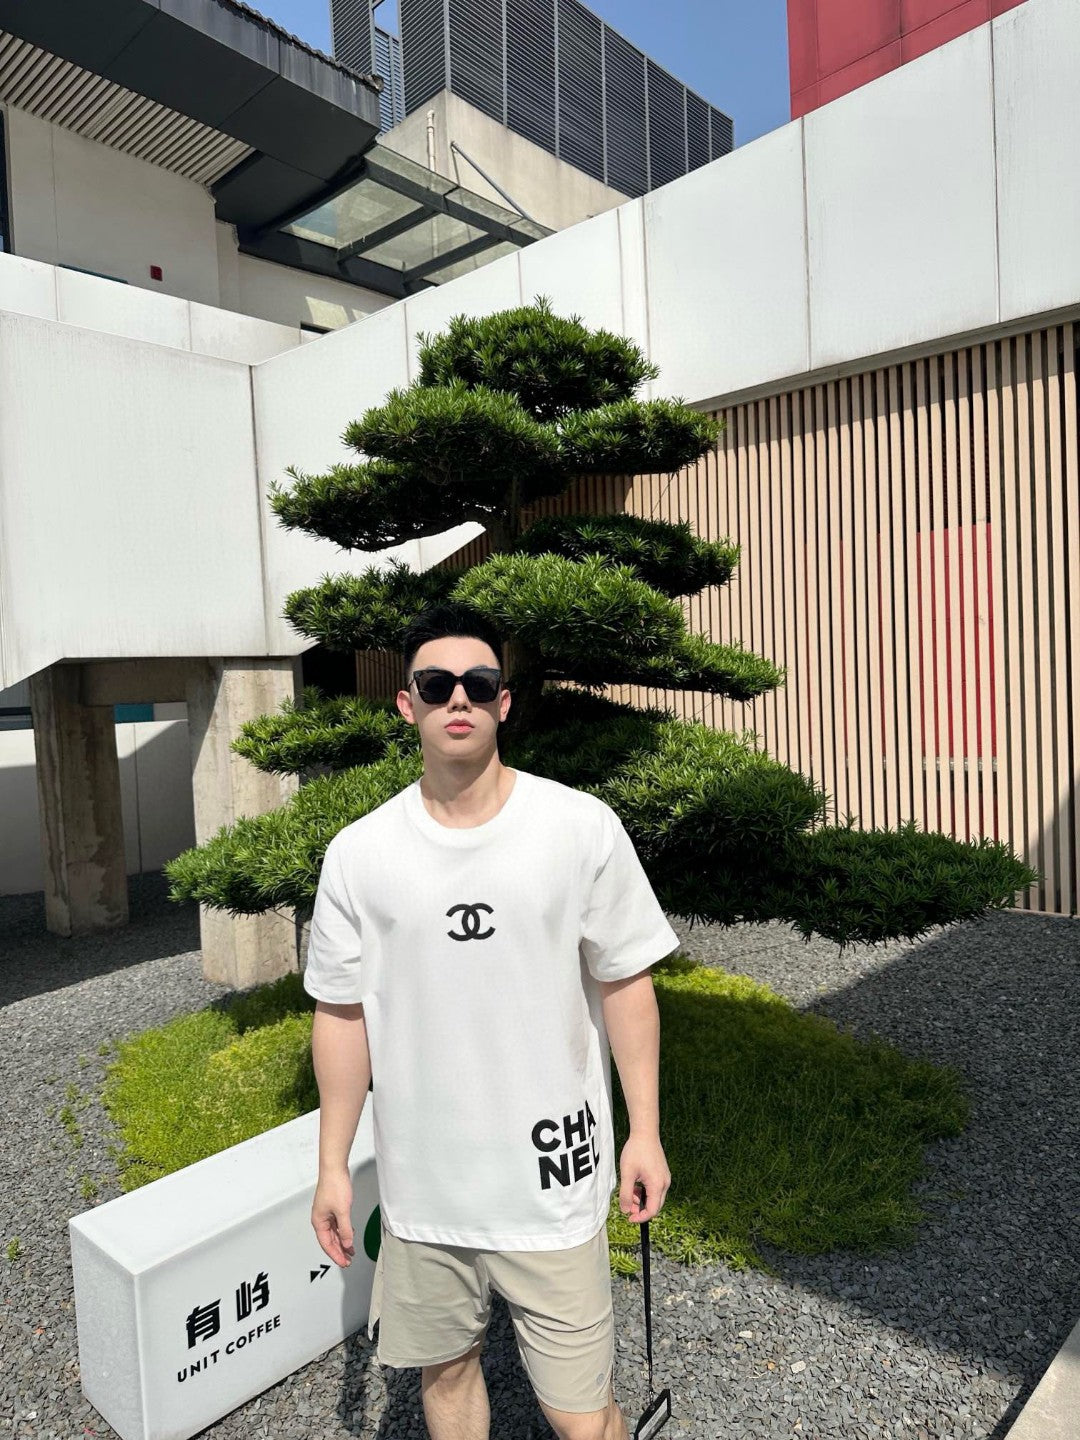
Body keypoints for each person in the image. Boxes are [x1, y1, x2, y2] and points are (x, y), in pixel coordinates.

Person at [304, 601, 680, 1440]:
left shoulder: (577, 827)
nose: (457, 699)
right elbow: (341, 1012)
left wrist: (645, 1132)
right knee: (445, 1377)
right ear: (406, 703)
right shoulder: (360, 854)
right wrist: (332, 1165)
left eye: (477, 683)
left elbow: (627, 982)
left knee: (580, 1412)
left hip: (551, 1183)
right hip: (423, 1189)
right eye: (435, 683)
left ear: (503, 702)